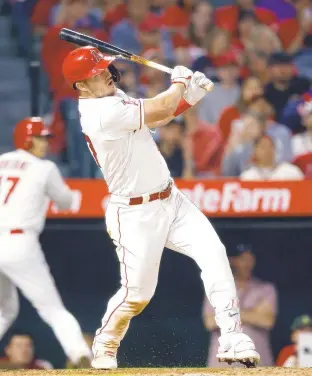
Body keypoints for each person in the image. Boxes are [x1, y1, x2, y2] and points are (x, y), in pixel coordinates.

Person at [62, 46, 260, 369]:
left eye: (104, 69)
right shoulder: (100, 115)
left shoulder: (112, 98)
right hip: (134, 214)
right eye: (95, 75)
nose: (105, 75)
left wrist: (189, 96)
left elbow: (163, 114)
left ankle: (232, 336)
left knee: (214, 252)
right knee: (137, 295)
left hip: (171, 198)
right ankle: (105, 342)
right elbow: (162, 106)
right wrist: (180, 84)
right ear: (81, 87)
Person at [0, 118, 92, 367]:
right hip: (19, 243)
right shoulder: (44, 168)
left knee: (5, 309)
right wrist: (70, 197)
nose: (45, 144)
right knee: (53, 310)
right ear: (27, 140)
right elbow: (65, 202)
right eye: (41, 138)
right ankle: (81, 355)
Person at [203, 244, 277, 367]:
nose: (247, 263)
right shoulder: (217, 288)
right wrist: (252, 312)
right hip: (224, 364)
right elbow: (210, 322)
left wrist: (228, 312)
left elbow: (267, 320)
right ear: (232, 260)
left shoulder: (265, 289)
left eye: (250, 259)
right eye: (242, 259)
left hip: (257, 361)